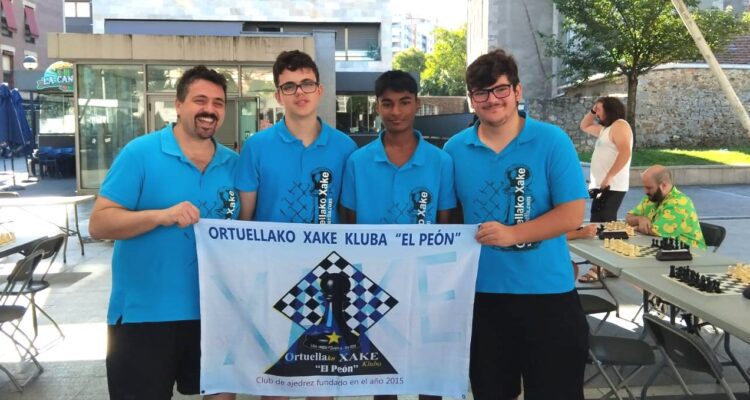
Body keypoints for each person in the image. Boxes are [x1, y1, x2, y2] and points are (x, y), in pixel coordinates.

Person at [443, 49, 589, 400]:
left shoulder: (552, 141)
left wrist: (513, 234)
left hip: (548, 296)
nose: (492, 100)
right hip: (483, 299)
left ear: (517, 91)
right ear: (471, 99)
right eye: (481, 92)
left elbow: (572, 215)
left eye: (500, 89)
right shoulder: (454, 150)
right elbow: (448, 220)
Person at [89, 66, 238, 400]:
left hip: (214, 313)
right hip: (144, 315)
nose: (210, 109)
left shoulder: (233, 163)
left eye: (218, 103)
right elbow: (99, 224)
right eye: (200, 100)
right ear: (178, 104)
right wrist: (160, 216)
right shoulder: (140, 153)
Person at [235, 50, 357, 400]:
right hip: (271, 276)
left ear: (320, 90)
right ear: (278, 95)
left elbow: (348, 217)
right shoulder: (256, 147)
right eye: (289, 86)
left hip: (326, 279)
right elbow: (245, 220)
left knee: (321, 382)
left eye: (306, 83)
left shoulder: (345, 147)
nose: (299, 92)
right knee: (275, 381)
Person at [340, 70, 455, 400]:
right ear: (377, 106)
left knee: (428, 373)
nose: (396, 111)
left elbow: (446, 226)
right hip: (373, 282)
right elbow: (348, 223)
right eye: (388, 103)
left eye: (404, 102)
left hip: (425, 284)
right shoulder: (358, 161)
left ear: (417, 104)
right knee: (382, 375)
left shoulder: (440, 161)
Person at [578, 96, 633, 283]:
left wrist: (609, 176)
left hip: (613, 185)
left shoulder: (620, 125)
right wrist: (592, 110)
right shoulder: (605, 130)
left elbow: (625, 151)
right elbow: (584, 126)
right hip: (601, 185)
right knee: (599, 223)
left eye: (599, 109)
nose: (597, 113)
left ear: (610, 109)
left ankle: (600, 267)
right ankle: (605, 265)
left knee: (604, 225)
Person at [625, 165, 706, 248]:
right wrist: (640, 219)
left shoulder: (679, 203)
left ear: (663, 185)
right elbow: (628, 218)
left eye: (649, 188)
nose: (645, 191)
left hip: (691, 252)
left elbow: (655, 231)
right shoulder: (651, 197)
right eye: (645, 187)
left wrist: (635, 227)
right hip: (666, 249)